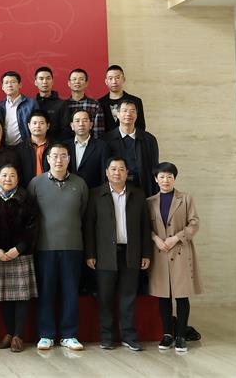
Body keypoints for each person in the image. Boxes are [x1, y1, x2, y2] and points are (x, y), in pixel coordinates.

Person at [85, 157, 151, 351]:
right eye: (113, 169)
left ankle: (129, 336)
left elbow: (145, 226)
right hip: (104, 253)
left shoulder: (138, 194)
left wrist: (146, 253)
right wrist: (90, 253)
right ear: (106, 172)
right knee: (105, 297)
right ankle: (107, 337)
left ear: (127, 172)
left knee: (128, 296)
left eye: (121, 169)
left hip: (131, 252)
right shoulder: (96, 194)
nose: (117, 173)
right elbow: (89, 226)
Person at [28, 144, 88, 351]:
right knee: (46, 291)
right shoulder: (36, 183)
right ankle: (46, 334)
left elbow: (83, 213)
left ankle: (69, 334)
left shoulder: (80, 184)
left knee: (70, 291)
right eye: (54, 156)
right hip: (45, 247)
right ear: (48, 159)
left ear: (69, 159)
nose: (59, 160)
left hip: (73, 246)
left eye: (63, 156)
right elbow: (31, 215)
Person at [147, 162, 204, 353]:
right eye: (162, 177)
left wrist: (176, 238)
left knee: (181, 295)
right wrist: (156, 239)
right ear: (156, 179)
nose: (166, 180)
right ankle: (167, 335)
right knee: (163, 296)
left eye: (169, 176)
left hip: (180, 251)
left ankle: (180, 336)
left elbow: (194, 223)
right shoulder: (149, 202)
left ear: (175, 179)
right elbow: (145, 227)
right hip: (160, 252)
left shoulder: (186, 199)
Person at [0, 164, 38, 353]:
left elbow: (33, 227)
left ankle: (18, 335)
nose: (8, 179)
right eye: (4, 175)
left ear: (18, 178)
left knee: (22, 296)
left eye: (12, 175)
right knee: (4, 297)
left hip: (21, 253)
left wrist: (19, 249)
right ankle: (8, 333)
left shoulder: (26, 198)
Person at [104, 99, 159, 197]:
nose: (128, 114)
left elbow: (154, 168)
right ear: (117, 114)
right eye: (124, 111)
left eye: (132, 111)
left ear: (136, 115)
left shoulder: (149, 140)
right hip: (114, 190)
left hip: (143, 188)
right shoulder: (106, 140)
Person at [64, 109, 109, 189]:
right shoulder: (65, 146)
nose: (81, 124)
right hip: (68, 191)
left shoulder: (102, 146)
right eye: (77, 121)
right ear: (72, 126)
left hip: (93, 192)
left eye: (85, 120)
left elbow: (104, 175)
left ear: (91, 125)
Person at [98, 65, 146, 133]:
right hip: (106, 139)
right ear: (106, 81)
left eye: (117, 78)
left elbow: (141, 127)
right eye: (110, 78)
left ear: (123, 79)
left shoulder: (136, 101)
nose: (114, 81)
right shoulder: (99, 103)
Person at [63, 68, 106, 139]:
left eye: (81, 79)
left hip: (90, 144)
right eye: (74, 79)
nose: (77, 82)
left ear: (86, 83)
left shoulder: (95, 105)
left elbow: (98, 132)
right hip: (67, 144)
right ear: (69, 83)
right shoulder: (63, 105)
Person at [0, 71, 37, 146]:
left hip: (26, 146)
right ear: (2, 87)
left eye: (13, 82)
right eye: (6, 83)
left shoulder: (31, 104)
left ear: (20, 85)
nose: (9, 85)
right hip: (5, 148)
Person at [16, 109, 53, 187]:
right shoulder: (19, 149)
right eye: (34, 123)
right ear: (29, 126)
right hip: (27, 188)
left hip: (50, 187)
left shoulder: (54, 147)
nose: (38, 126)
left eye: (41, 123)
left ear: (48, 126)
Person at [34, 66, 67, 141]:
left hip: (55, 145)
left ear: (52, 81)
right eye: (41, 79)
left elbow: (66, 130)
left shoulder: (61, 104)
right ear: (35, 82)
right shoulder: (31, 104)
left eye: (48, 78)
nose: (45, 82)